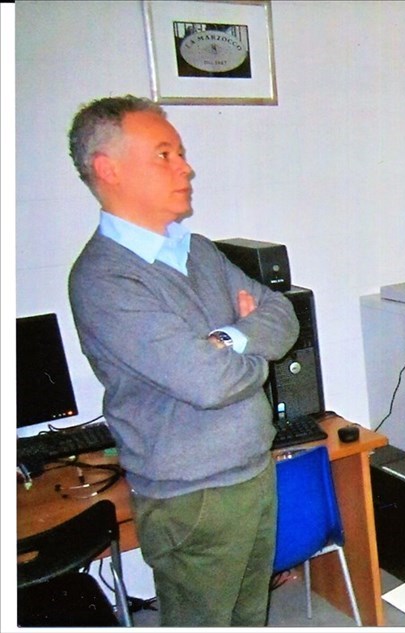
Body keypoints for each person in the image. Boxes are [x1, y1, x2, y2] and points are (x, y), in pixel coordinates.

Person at [67, 95, 300, 626]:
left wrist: (226, 339)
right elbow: (207, 382)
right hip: (191, 497)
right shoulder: (106, 280)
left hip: (251, 470)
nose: (186, 167)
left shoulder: (198, 251)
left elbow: (282, 317)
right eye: (164, 154)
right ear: (109, 170)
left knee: (248, 617)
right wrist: (247, 344)